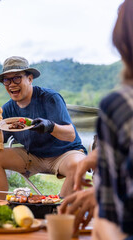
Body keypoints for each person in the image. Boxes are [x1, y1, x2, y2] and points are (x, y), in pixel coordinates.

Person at [60, 1, 133, 239]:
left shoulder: (120, 104)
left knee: (102, 223)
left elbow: (119, 209)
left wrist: (102, 194)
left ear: (122, 43)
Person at [0, 56, 87, 199]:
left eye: (17, 78)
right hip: (32, 156)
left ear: (30, 78)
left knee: (79, 164)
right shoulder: (7, 109)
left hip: (64, 154)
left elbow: (70, 135)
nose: (11, 84)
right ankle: (0, 209)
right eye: (6, 80)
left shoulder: (50, 98)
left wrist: (50, 126)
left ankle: (59, 209)